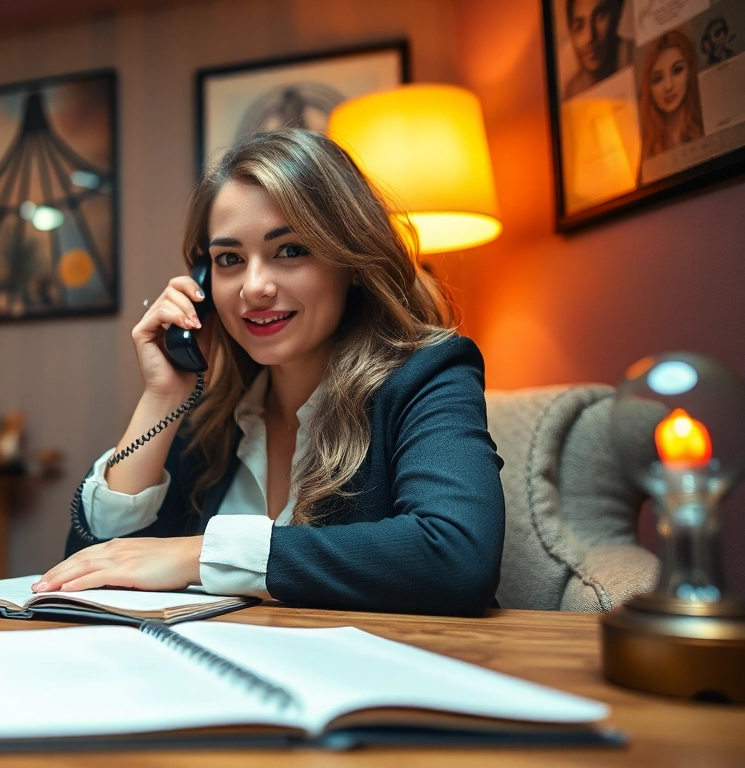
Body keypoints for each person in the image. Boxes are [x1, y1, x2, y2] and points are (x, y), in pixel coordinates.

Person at [38, 130, 505, 617]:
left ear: (351, 262)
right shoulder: (213, 420)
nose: (254, 287)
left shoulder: (429, 375)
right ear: (203, 284)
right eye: (229, 260)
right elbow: (89, 564)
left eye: (290, 250)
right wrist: (161, 398)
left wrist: (202, 554)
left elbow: (458, 557)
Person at [639, 29, 705, 161]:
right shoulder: (646, 148)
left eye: (677, 70)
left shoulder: (706, 126)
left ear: (690, 72)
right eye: (658, 79)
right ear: (649, 89)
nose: (668, 86)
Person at [562, 0, 635, 99]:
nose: (589, 37)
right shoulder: (572, 93)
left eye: (599, 17)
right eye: (578, 27)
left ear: (617, 15)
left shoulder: (636, 58)